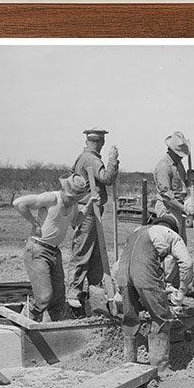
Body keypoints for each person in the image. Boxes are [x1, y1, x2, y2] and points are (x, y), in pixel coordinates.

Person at [114, 214, 192, 373]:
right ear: (172, 228)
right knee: (162, 317)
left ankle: (129, 364)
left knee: (130, 317)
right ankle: (160, 368)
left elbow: (118, 265)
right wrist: (180, 295)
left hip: (123, 272)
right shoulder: (172, 236)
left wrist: (120, 289)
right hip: (144, 272)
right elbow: (187, 265)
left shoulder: (137, 230)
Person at [13, 173, 95, 322]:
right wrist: (34, 223)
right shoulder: (51, 198)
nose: (71, 201)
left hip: (54, 253)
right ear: (64, 190)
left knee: (58, 300)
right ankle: (26, 319)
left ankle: (57, 331)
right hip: (38, 250)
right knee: (44, 297)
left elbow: (76, 221)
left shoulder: (74, 205)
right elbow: (18, 203)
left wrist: (89, 205)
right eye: (70, 198)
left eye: (76, 199)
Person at [69, 128, 119, 309]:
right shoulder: (91, 158)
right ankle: (73, 291)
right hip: (89, 210)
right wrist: (113, 160)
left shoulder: (83, 156)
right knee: (82, 251)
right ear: (101, 142)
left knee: (97, 255)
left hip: (93, 209)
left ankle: (95, 292)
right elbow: (107, 178)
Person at [153, 131, 194, 292]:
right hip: (168, 209)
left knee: (180, 246)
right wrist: (185, 207)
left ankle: (176, 283)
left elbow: (181, 185)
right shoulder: (163, 167)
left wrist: (189, 179)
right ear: (170, 150)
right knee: (170, 246)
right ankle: (166, 283)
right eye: (179, 154)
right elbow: (167, 196)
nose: (182, 157)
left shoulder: (178, 164)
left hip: (179, 209)